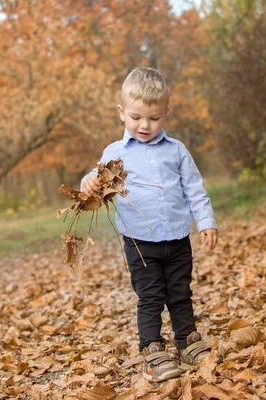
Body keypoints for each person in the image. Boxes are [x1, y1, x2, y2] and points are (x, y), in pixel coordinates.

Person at [81, 67, 218, 382]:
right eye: (136, 117)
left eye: (154, 118)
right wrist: (90, 182)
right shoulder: (115, 154)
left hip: (177, 240)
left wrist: (206, 221)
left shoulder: (177, 151)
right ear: (121, 113)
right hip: (140, 242)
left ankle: (187, 341)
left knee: (180, 292)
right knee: (152, 295)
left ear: (166, 113)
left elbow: (195, 190)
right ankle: (153, 348)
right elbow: (94, 179)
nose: (145, 125)